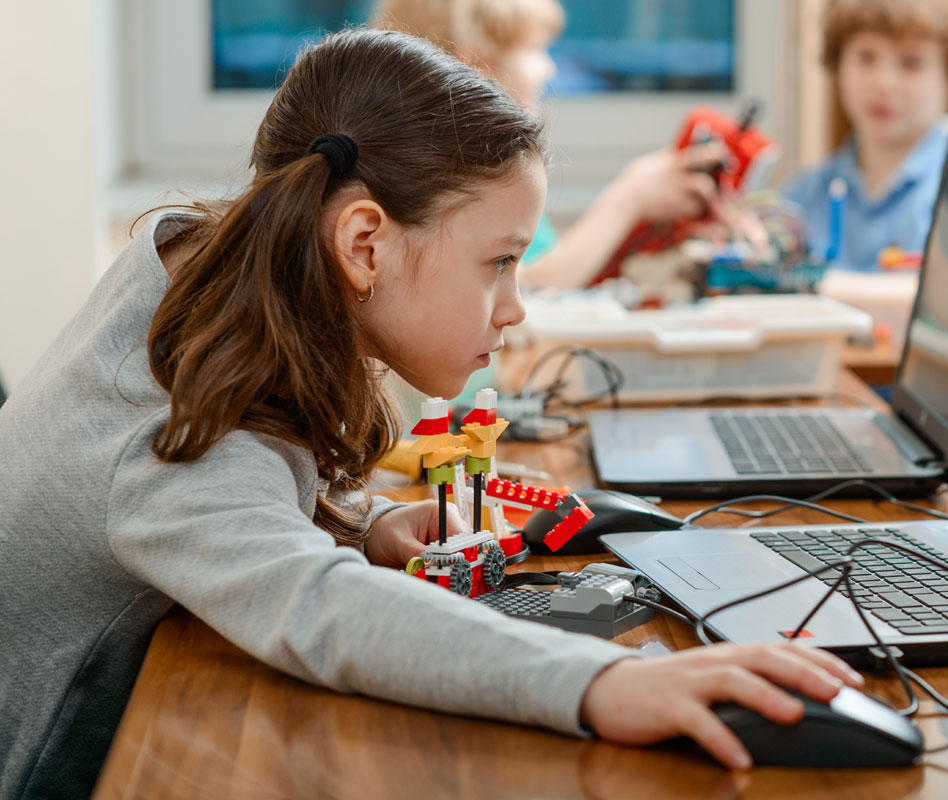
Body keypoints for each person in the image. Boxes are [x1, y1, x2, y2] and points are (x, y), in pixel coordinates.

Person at [0, 29, 862, 797]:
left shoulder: (198, 269)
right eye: (499, 263)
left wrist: (359, 520)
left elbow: (232, 514)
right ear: (364, 243)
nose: (516, 305)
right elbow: (320, 609)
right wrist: (603, 682)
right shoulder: (175, 431)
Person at [372, 0, 724, 291]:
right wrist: (628, 199)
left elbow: (545, 266)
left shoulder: (493, 171)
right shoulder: (449, 186)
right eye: (534, 49)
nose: (549, 70)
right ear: (473, 65)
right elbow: (523, 292)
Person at [785, 0, 948, 308]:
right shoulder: (802, 196)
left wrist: (811, 285)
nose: (883, 83)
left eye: (911, 63)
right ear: (839, 63)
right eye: (866, 57)